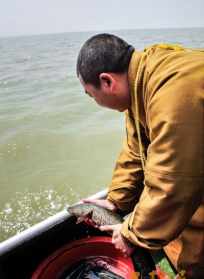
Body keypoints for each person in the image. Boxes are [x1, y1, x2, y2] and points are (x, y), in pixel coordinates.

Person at [76, 33, 204, 278]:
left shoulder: (173, 93)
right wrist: (115, 200)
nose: (96, 103)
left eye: (92, 96)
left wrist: (131, 233)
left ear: (106, 81)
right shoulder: (142, 82)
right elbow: (136, 150)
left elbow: (173, 182)